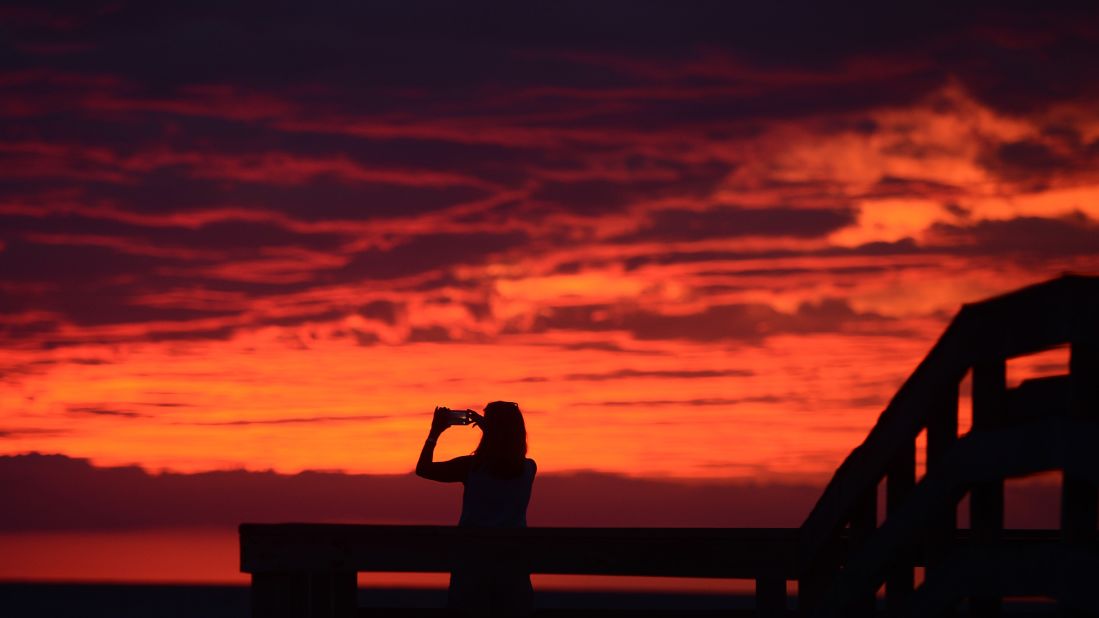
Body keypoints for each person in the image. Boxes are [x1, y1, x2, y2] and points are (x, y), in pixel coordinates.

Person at [416, 401, 537, 617]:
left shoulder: (472, 467)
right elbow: (505, 449)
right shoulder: (528, 469)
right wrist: (490, 427)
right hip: (513, 563)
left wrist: (435, 433)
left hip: (472, 561)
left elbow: (424, 469)